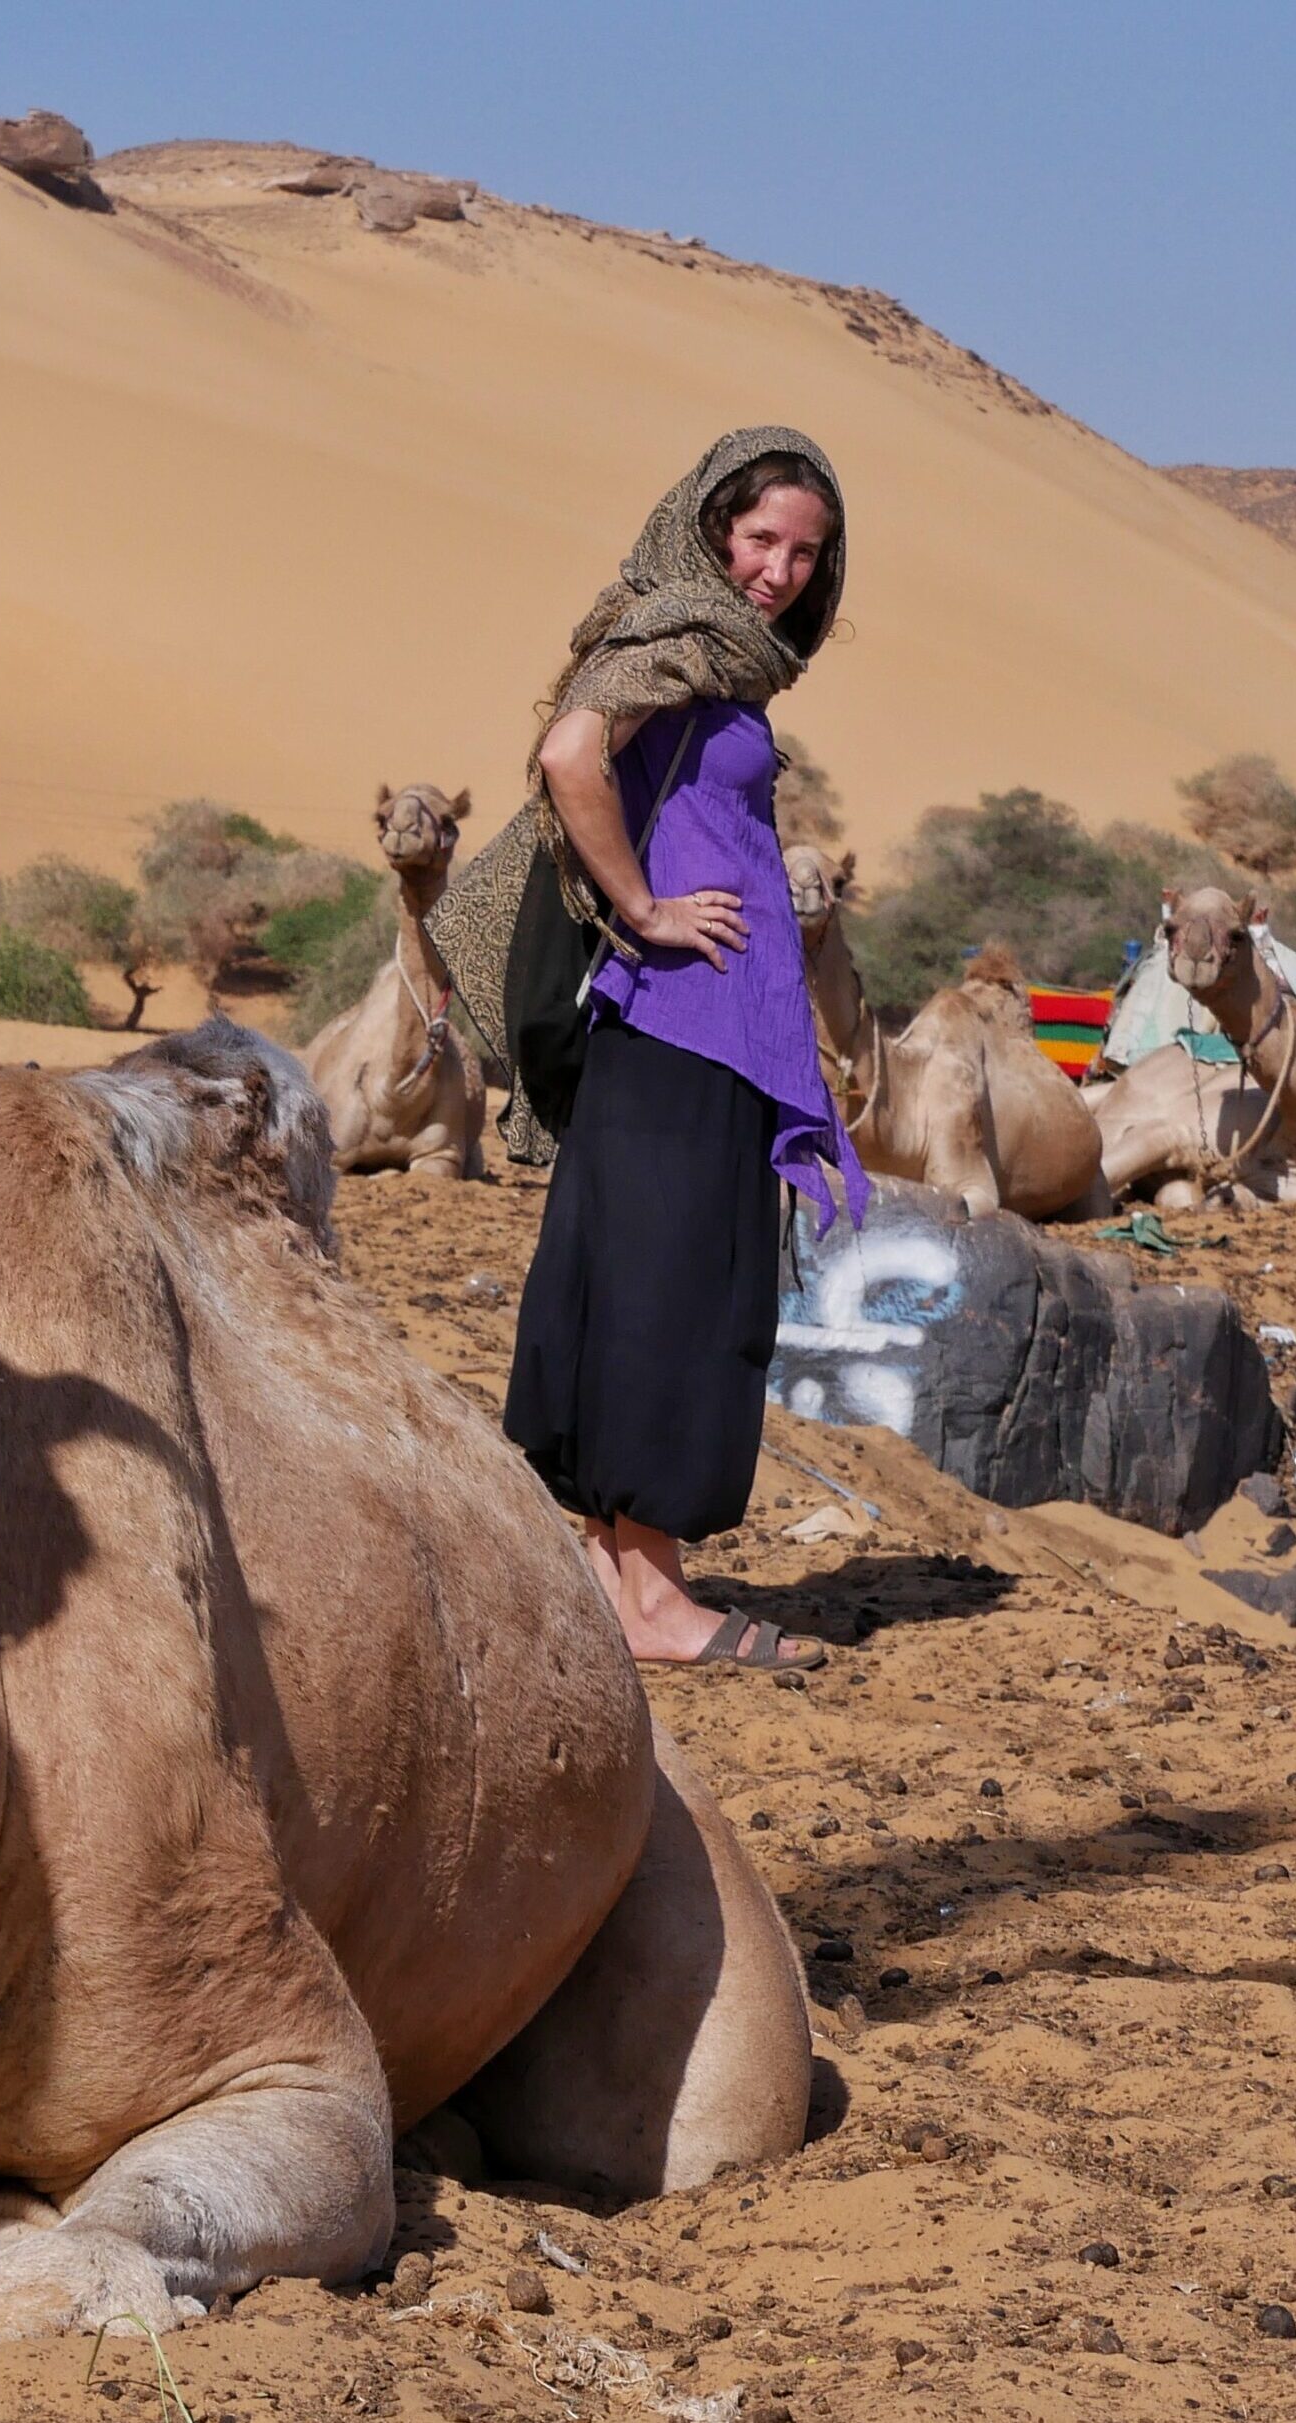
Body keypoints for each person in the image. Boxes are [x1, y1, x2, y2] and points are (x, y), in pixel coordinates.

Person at [503, 427, 869, 1672]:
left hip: (687, 1032)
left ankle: (619, 1583)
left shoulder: (714, 656)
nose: (778, 571)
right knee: (676, 1296)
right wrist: (645, 908)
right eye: (760, 538)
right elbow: (569, 754)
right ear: (712, 525)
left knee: (632, 1288)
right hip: (680, 1022)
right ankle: (657, 1599)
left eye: (805, 553)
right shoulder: (672, 638)